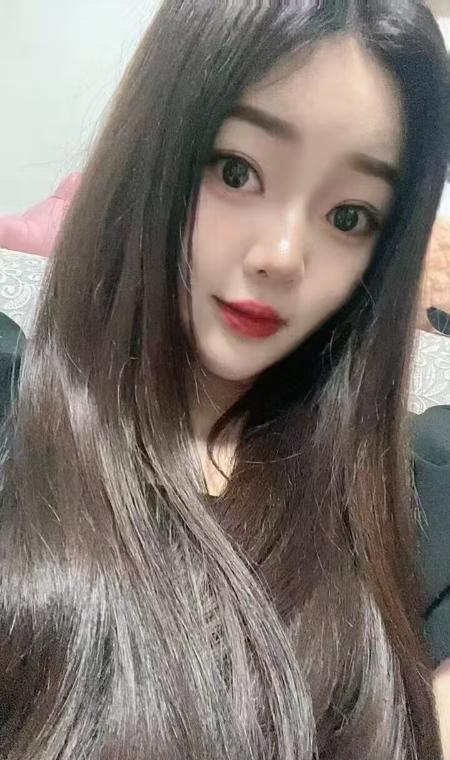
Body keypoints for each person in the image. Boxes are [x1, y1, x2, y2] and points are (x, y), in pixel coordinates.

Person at [0, 1, 448, 758]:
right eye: (237, 171)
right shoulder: (12, 407)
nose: (282, 255)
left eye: (348, 217)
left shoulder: (419, 519)